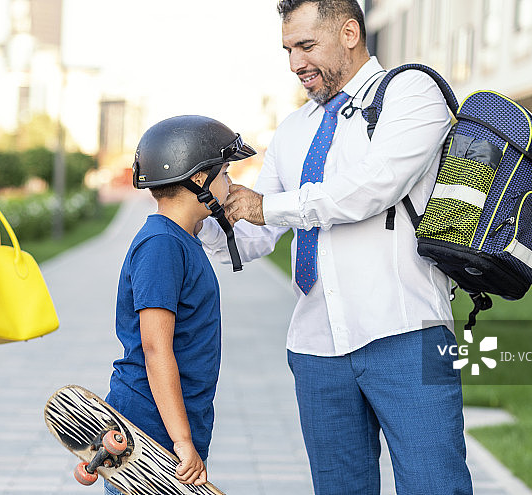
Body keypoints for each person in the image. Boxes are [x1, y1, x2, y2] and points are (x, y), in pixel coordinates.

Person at [198, 1, 473, 493]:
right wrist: (196, 209)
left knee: (436, 485)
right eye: (287, 49)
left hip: (409, 332)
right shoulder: (294, 129)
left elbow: (370, 188)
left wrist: (268, 207)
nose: (295, 63)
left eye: (306, 46)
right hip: (316, 347)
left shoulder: (411, 92)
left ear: (350, 32)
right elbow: (256, 234)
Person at [104, 115, 255, 494]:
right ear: (200, 180)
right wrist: (182, 440)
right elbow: (155, 349)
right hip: (151, 431)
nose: (232, 184)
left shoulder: (182, 239)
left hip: (168, 424)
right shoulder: (162, 245)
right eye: (225, 174)